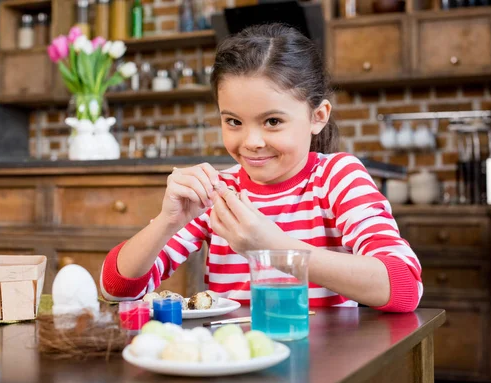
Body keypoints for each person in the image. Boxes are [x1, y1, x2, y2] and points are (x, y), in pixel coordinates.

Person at [100, 23, 422, 312]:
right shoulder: (219, 192)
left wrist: (272, 246)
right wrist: (167, 222)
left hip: (325, 367)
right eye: (234, 121)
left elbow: (404, 285)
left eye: (272, 121)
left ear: (317, 117)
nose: (252, 141)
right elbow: (118, 288)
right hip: (234, 366)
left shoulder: (336, 178)